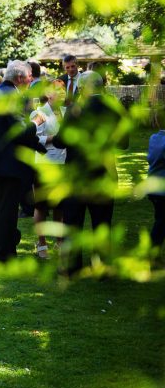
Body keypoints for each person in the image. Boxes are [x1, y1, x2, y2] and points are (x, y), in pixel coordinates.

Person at [52, 70, 129, 274]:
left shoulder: (76, 109)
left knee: (73, 220)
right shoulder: (114, 108)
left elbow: (60, 141)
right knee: (103, 221)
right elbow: (124, 143)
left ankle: (71, 265)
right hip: (103, 172)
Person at [0, 61, 46, 262]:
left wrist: (39, 146)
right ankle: (5, 255)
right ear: (19, 78)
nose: (31, 79)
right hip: (8, 164)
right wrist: (36, 122)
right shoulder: (11, 97)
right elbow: (19, 131)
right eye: (29, 76)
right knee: (7, 212)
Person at [30, 79, 67, 259]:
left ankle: (59, 241)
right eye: (58, 90)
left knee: (60, 205)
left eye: (63, 90)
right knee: (42, 205)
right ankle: (41, 242)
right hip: (45, 163)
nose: (62, 93)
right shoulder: (39, 112)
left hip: (64, 163)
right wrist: (56, 138)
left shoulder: (68, 111)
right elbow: (34, 139)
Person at [147, 121, 165, 264]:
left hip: (153, 187)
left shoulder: (154, 138)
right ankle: (152, 253)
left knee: (160, 220)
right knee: (161, 223)